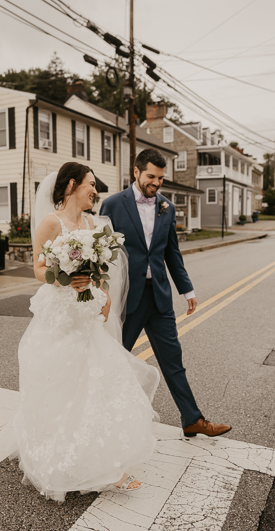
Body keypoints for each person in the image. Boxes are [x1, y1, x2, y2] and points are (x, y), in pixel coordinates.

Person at [3, 162, 160, 502]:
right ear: (73, 184)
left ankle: (106, 462)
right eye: (91, 184)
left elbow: (102, 269)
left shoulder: (92, 223)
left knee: (97, 381)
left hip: (86, 313)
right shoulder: (50, 222)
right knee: (64, 382)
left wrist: (102, 294)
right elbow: (38, 269)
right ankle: (61, 455)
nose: (95, 191)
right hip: (61, 314)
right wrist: (64, 277)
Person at [99, 148, 231, 438]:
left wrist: (187, 289)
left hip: (159, 296)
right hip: (127, 299)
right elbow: (103, 256)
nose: (156, 183)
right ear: (136, 172)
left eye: (160, 178)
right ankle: (98, 420)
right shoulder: (112, 205)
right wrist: (103, 293)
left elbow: (172, 253)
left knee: (173, 361)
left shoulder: (166, 207)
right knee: (113, 359)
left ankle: (192, 419)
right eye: (151, 176)